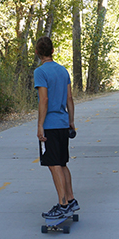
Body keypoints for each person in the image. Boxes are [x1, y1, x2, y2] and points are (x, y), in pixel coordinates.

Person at [33, 36, 79, 219]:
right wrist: (71, 121)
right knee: (62, 163)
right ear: (52, 51)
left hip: (51, 125)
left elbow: (44, 99)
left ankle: (63, 204)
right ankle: (71, 199)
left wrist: (40, 125)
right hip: (63, 123)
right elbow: (69, 98)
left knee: (53, 165)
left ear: (37, 52)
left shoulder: (40, 72)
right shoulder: (63, 70)